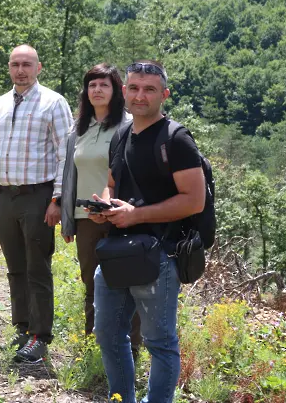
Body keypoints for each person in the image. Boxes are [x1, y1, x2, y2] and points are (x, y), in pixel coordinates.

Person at [89, 61, 205, 403]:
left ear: (164, 95)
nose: (141, 95)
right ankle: (122, 398)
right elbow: (111, 184)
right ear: (124, 92)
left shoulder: (177, 139)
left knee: (160, 344)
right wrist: (106, 207)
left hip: (159, 256)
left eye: (150, 89)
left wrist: (136, 215)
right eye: (134, 88)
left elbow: (194, 200)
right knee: (108, 334)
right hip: (118, 253)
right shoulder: (122, 134)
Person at [0, 45, 73, 364]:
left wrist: (58, 199)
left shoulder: (54, 103)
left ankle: (40, 336)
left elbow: (65, 155)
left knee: (37, 267)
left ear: (38, 67)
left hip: (38, 196)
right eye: (16, 64)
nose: (21, 70)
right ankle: (21, 328)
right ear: (9, 68)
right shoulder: (0, 104)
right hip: (6, 197)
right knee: (15, 268)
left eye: (27, 65)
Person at [60, 64, 142, 356]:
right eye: (92, 85)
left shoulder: (128, 125)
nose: (97, 90)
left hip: (122, 218)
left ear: (116, 90)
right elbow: (70, 175)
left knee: (127, 283)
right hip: (87, 219)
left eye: (104, 85)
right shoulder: (78, 129)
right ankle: (92, 347)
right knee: (91, 283)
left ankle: (130, 348)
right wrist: (67, 220)